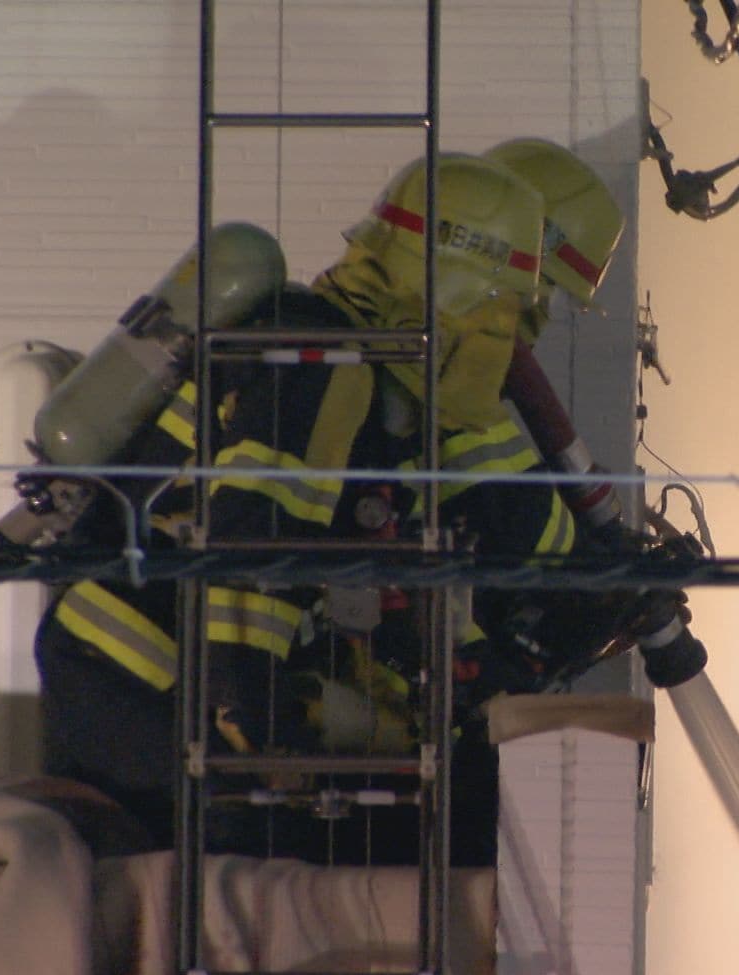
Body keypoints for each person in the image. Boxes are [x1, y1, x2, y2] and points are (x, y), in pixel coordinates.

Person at [36, 152, 613, 863]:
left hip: (157, 669)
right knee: (269, 857)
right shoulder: (321, 369)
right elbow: (251, 552)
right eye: (518, 305)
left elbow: (391, 577)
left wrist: (486, 683)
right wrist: (256, 732)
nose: (526, 333)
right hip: (136, 670)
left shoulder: (376, 383)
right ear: (460, 287)